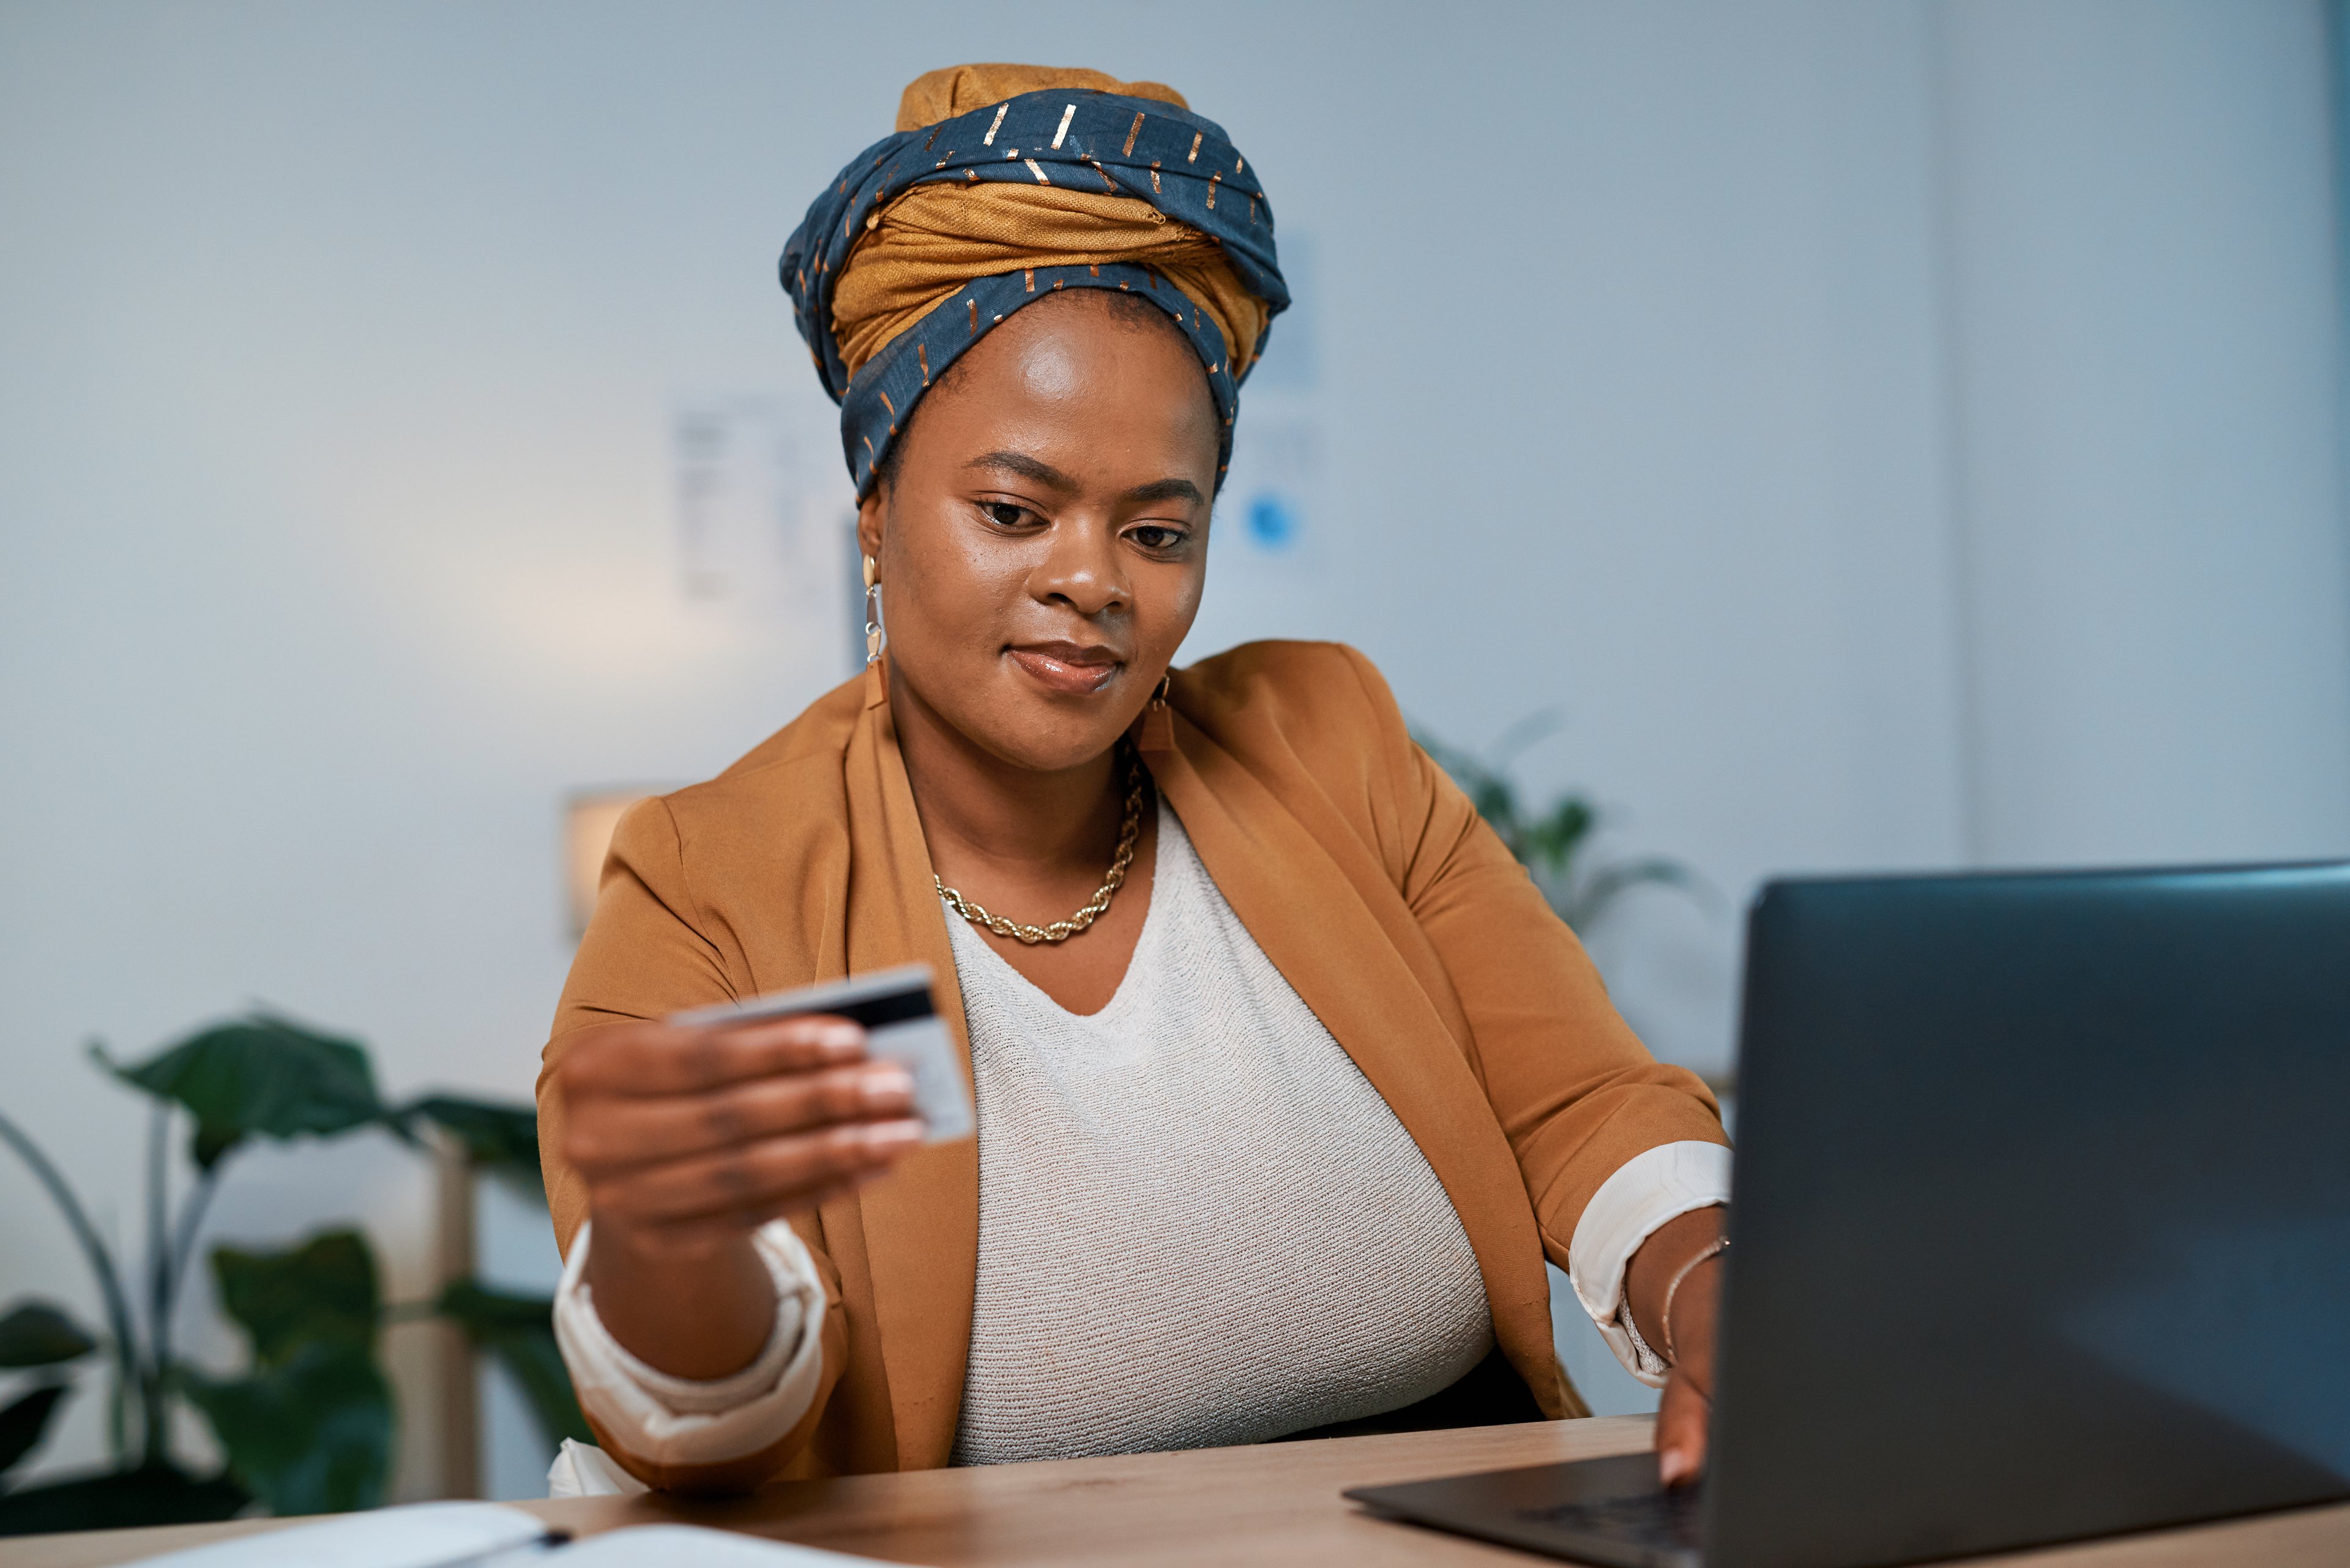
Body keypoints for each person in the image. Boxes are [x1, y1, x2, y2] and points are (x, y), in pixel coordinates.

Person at [539, 62, 1731, 1495]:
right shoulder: (718, 884)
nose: (1092, 582)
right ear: (873, 508)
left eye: (1158, 533)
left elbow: (1583, 1103)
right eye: (1013, 511)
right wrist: (672, 1252)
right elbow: (721, 1433)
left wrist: (1717, 1295)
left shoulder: (1328, 739)